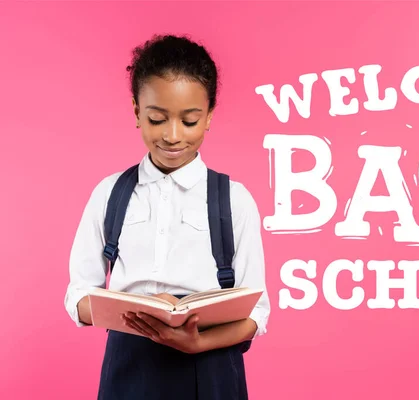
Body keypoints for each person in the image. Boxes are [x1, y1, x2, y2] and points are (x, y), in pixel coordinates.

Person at [64, 34, 270, 400]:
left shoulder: (234, 200)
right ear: (136, 111)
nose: (173, 136)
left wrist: (197, 342)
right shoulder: (110, 193)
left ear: (209, 117)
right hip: (130, 362)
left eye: (189, 121)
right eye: (157, 119)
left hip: (211, 364)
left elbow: (257, 313)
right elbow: (79, 295)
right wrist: (133, 311)